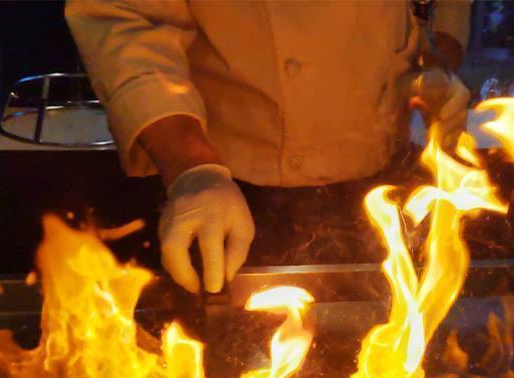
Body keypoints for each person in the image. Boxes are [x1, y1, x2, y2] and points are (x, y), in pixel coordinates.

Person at [65, 1, 471, 293]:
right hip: (228, 190)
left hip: (381, 181)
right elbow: (127, 21)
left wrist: (433, 64)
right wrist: (192, 168)